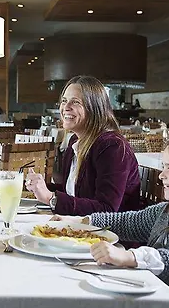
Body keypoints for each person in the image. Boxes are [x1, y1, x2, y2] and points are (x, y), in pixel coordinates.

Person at [52, 133, 169, 308]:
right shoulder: (168, 210)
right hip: (147, 305)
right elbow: (127, 222)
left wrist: (128, 256)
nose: (161, 175)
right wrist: (79, 222)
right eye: (163, 167)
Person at [26, 75, 140, 215]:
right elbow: (74, 192)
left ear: (94, 107)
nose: (66, 107)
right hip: (79, 224)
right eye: (64, 101)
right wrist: (39, 187)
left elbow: (106, 210)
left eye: (75, 102)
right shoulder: (75, 141)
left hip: (111, 228)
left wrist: (52, 198)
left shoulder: (112, 147)